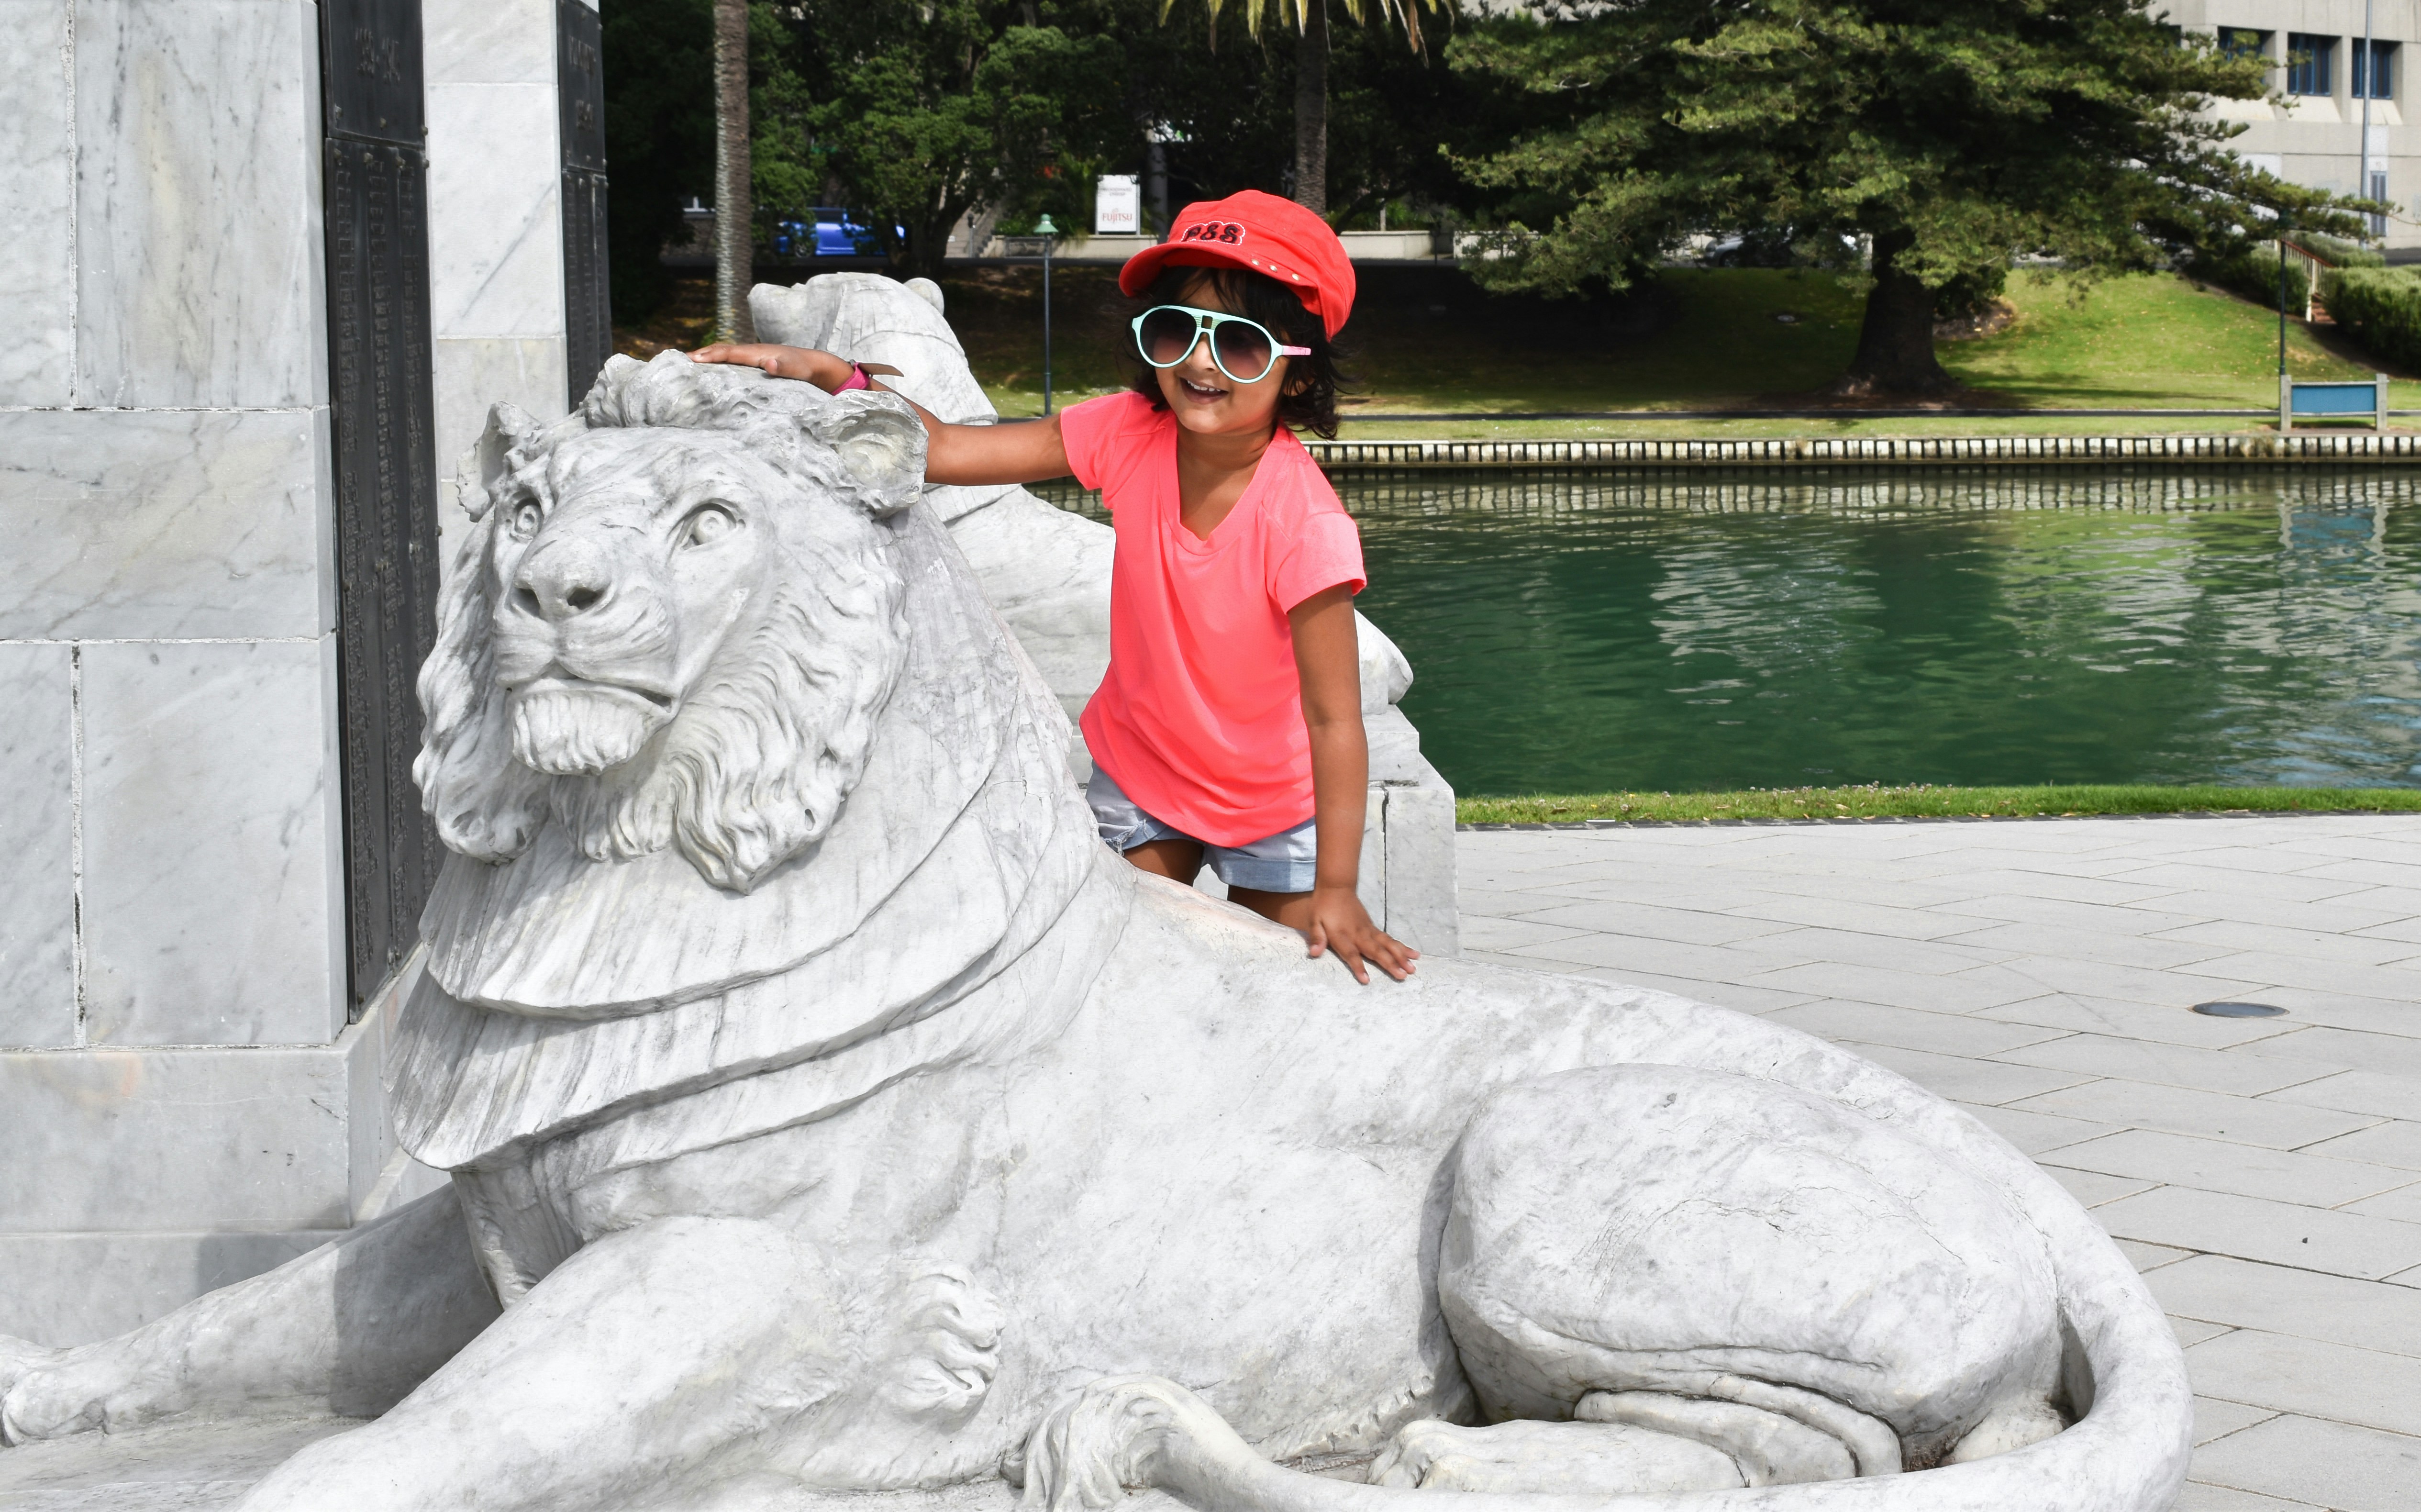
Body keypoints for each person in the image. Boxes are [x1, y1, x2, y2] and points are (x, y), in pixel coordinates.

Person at [692, 191, 1415, 985]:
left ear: (1299, 377)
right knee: (1111, 970)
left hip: (1271, 802)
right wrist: (841, 378)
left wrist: (1338, 888)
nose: (1202, 362)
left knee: (1276, 988)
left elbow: (1335, 719)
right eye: (1177, 329)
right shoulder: (1128, 432)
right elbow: (949, 451)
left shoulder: (1307, 524)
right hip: (1145, 772)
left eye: (1240, 343)